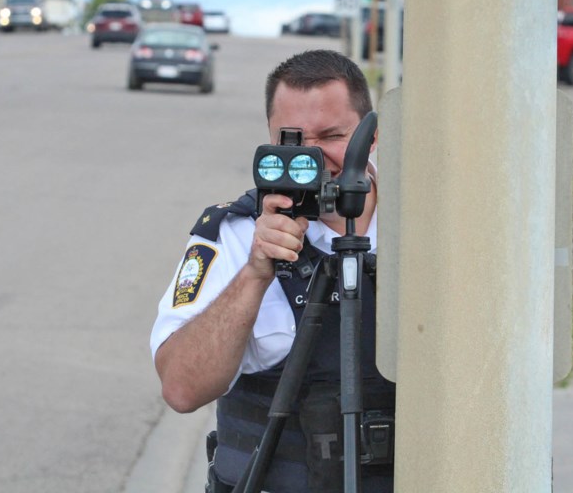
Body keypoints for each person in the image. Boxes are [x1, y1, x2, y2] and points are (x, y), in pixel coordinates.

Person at [150, 49, 395, 492]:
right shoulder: (236, 234)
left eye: (333, 136)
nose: (313, 159)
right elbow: (182, 388)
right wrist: (255, 272)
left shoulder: (429, 225)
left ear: (370, 136)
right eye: (294, 140)